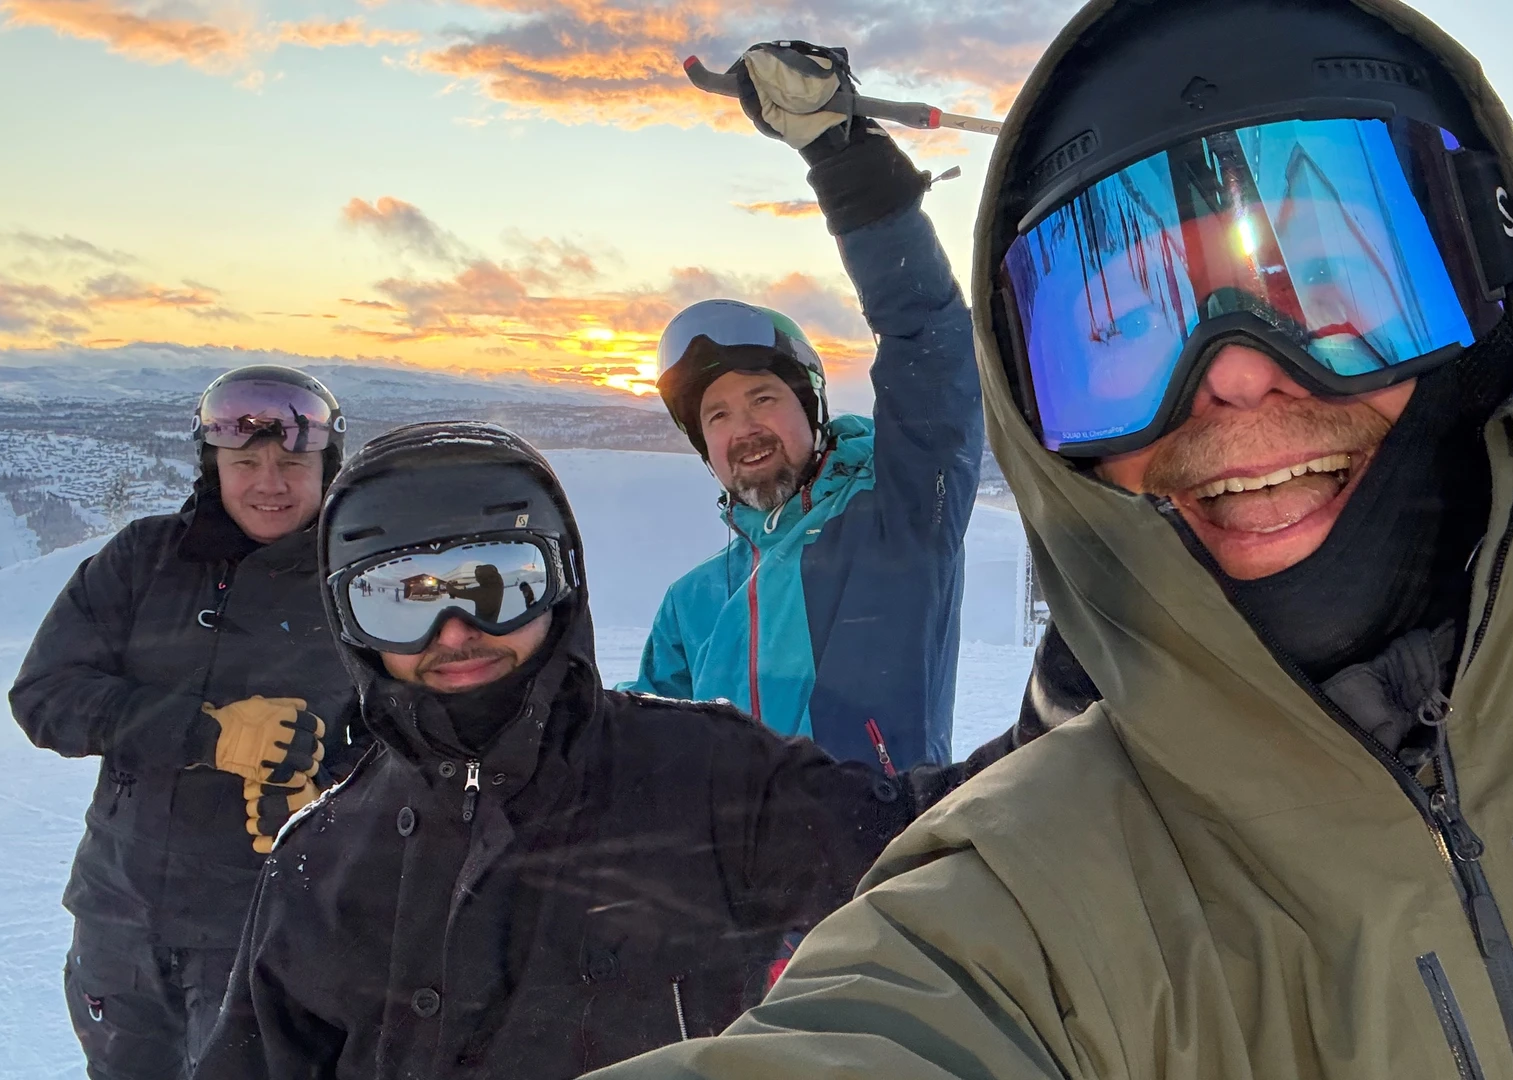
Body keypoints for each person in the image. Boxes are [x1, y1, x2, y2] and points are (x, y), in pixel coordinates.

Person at [587, 2, 1513, 1079]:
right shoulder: (1020, 900)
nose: (1232, 378)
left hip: (898, 816)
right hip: (828, 907)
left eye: (1338, 287)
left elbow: (922, 346)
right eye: (1120, 337)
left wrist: (850, 168)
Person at [191, 421, 1025, 1079]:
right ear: (351, 624)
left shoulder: (700, 775)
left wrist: (1078, 695)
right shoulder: (325, 861)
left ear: (561, 582)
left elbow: (927, 842)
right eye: (399, 599)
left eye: (497, 584)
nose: (455, 631)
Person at [627, 40, 981, 769]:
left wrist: (844, 159)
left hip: (892, 870)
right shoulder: (692, 606)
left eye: (762, 397)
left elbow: (929, 341)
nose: (742, 428)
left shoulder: (902, 518)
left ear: (812, 408)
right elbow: (634, 767)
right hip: (731, 885)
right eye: (716, 416)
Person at [11, 364, 365, 1079]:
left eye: (293, 462)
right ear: (215, 466)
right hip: (120, 915)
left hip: (266, 931)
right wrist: (209, 733)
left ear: (327, 466)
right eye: (247, 462)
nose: (270, 483)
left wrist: (330, 786)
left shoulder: (358, 580)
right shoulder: (144, 560)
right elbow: (46, 697)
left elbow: (418, 733)